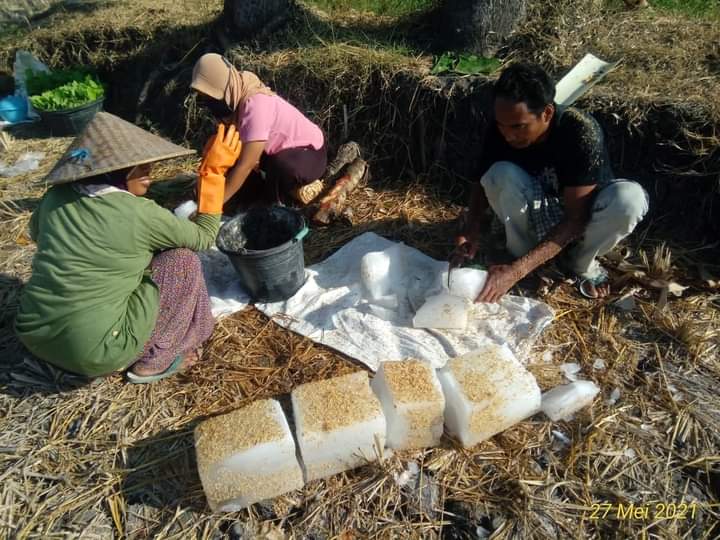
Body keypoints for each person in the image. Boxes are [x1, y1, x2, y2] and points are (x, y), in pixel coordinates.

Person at [15, 112, 240, 382]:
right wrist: (213, 174)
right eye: (138, 165)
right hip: (96, 351)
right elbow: (204, 236)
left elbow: (38, 233)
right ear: (114, 170)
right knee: (182, 261)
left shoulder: (55, 197)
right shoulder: (138, 213)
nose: (149, 171)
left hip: (34, 333)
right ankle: (154, 360)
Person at [451, 62, 648, 301]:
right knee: (497, 174)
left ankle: (579, 263)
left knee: (629, 199)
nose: (508, 135)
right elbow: (481, 181)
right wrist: (471, 228)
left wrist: (516, 272)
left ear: (547, 113)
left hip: (580, 215)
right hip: (535, 210)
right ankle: (520, 251)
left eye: (518, 127)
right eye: (502, 126)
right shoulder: (501, 127)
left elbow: (576, 220)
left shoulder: (580, 132)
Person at [190, 53, 327, 207]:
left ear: (223, 87)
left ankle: (277, 205)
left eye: (212, 97)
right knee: (236, 172)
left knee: (279, 167)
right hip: (271, 154)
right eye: (205, 98)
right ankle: (264, 194)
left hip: (308, 154)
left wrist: (212, 209)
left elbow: (246, 164)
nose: (210, 103)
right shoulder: (234, 99)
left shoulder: (255, 104)